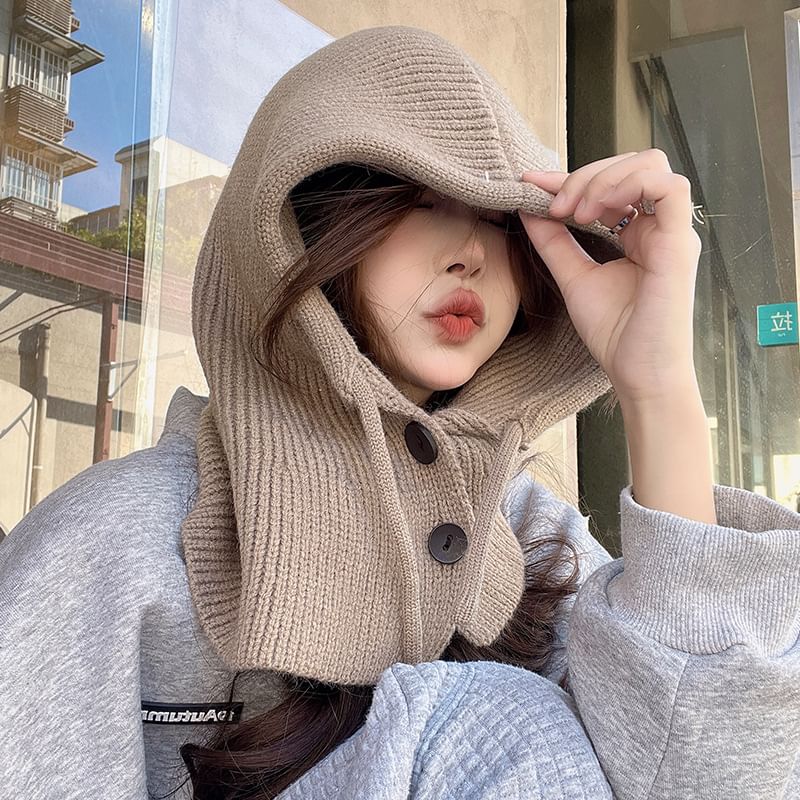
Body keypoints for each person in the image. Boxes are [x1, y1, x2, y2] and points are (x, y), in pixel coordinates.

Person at [1, 24, 798, 800]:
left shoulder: (529, 534)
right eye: (422, 200)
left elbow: (711, 782)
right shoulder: (118, 543)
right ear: (304, 222)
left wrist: (659, 387)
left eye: (502, 219)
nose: (473, 253)